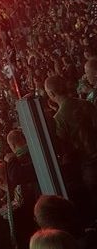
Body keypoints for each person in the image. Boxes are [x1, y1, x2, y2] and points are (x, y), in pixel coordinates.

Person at [44, 75, 97, 217]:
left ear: (51, 94)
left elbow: (65, 148)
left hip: (88, 166)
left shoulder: (58, 120)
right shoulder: (86, 104)